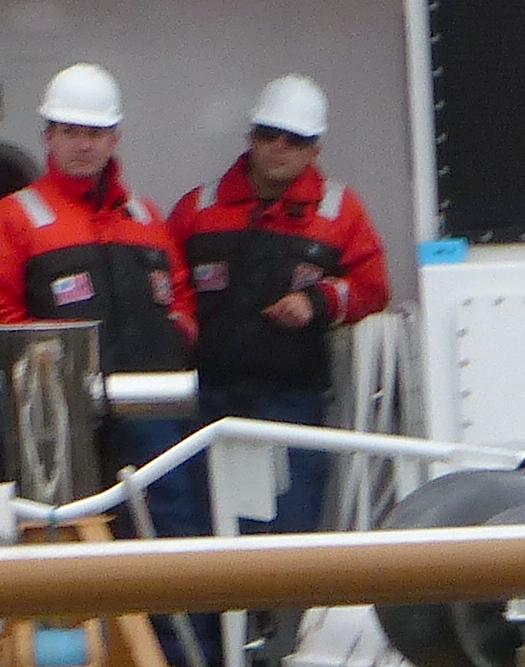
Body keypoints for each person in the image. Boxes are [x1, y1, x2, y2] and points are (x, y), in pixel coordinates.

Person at [0, 63, 194, 523]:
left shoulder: (145, 217)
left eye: (95, 132)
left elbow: (181, 298)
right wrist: (48, 363)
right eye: (70, 131)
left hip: (150, 410)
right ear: (48, 136)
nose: (83, 144)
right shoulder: (12, 218)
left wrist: (175, 337)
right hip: (59, 418)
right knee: (71, 537)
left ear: (114, 138)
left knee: (169, 528)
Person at [165, 72, 391, 536]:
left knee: (292, 528)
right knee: (208, 529)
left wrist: (318, 301)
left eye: (295, 139)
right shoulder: (198, 208)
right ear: (251, 137)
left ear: (315, 149)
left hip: (293, 398)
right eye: (269, 135)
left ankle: (285, 612)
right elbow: (171, 287)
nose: (279, 147)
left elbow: (372, 286)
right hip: (209, 397)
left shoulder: (338, 210)